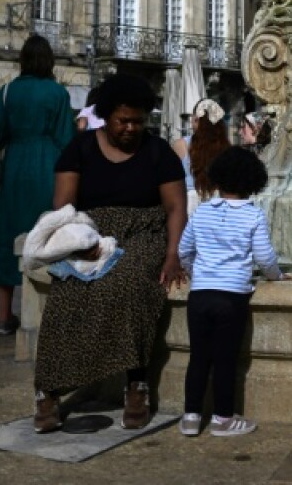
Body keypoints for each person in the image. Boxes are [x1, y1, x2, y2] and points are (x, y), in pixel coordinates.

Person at [33, 73, 187, 434]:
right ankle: (49, 391)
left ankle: (136, 384)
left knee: (133, 283)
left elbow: (176, 207)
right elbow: (62, 206)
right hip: (90, 234)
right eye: (123, 121)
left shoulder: (158, 151)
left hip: (145, 234)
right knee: (68, 291)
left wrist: (172, 254)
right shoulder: (81, 148)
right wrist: (80, 241)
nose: (131, 128)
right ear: (107, 116)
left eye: (138, 120)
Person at [178, 147, 287, 437]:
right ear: (253, 181)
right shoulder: (253, 216)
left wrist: (195, 273)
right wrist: (277, 276)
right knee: (225, 358)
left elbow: (184, 250)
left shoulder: (202, 212)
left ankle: (190, 416)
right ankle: (223, 418)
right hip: (232, 296)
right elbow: (264, 258)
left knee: (199, 356)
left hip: (200, 294)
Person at [0, 35, 75, 338]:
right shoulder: (58, 93)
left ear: (22, 60)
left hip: (16, 170)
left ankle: (3, 317)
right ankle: (46, 311)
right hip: (49, 168)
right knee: (48, 235)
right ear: (50, 61)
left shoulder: (8, 92)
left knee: (8, 236)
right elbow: (66, 140)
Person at [172, 99, 230, 215]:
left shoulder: (182, 145)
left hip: (189, 204)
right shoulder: (226, 148)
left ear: (196, 119)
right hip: (219, 204)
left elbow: (173, 181)